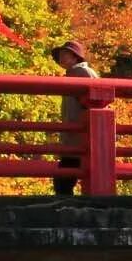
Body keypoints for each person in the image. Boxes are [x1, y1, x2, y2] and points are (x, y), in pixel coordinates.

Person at [51, 39, 97, 197]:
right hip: (74, 136)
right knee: (64, 180)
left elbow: (97, 103)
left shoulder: (84, 74)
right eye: (60, 55)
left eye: (65, 54)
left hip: (81, 137)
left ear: (76, 57)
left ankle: (67, 214)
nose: (62, 58)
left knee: (63, 181)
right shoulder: (72, 75)